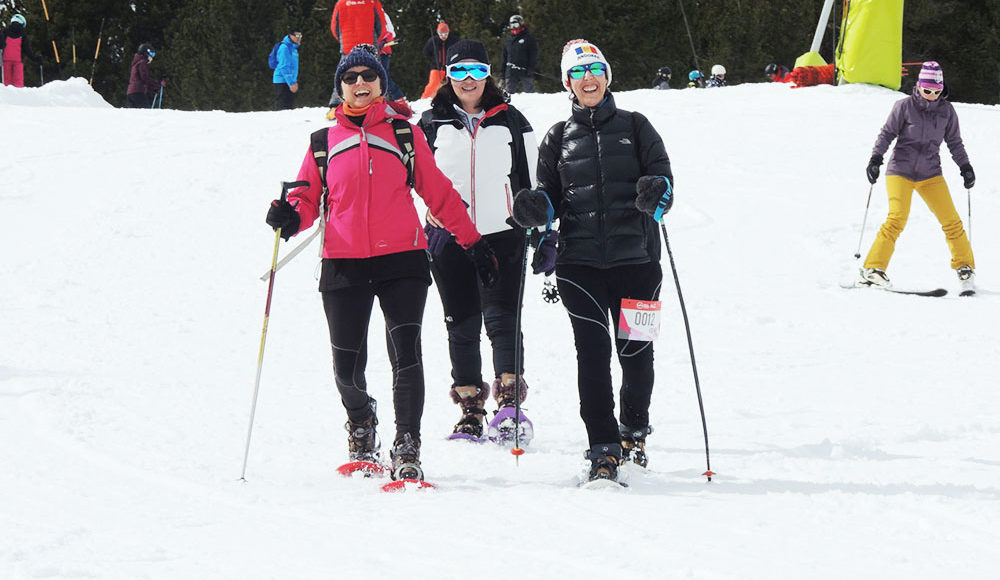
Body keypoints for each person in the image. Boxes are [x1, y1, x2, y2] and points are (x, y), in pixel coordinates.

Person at [264, 45, 500, 483]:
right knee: (346, 369)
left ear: (381, 83)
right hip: (343, 262)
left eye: (368, 76)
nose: (359, 83)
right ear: (340, 87)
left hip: (402, 261)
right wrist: (289, 217)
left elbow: (438, 193)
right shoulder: (322, 142)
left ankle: (407, 444)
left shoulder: (404, 134)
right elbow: (306, 199)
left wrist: (473, 242)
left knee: (406, 356)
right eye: (350, 77)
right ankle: (361, 420)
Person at [511, 39, 673, 484]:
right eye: (579, 73)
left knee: (636, 355)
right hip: (579, 268)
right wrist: (536, 208)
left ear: (606, 76)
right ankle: (603, 449)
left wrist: (657, 191)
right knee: (593, 355)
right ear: (568, 82)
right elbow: (548, 197)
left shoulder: (637, 126)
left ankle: (633, 432)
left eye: (596, 70)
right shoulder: (557, 137)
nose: (589, 79)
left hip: (638, 264)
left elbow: (665, 183)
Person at [417, 40, 541, 443]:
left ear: (489, 75)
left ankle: (509, 403)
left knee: (503, 318)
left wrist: (539, 228)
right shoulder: (430, 123)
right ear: (447, 77)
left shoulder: (511, 119)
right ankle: (470, 407)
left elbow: (532, 178)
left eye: (476, 71)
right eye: (458, 71)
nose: (467, 80)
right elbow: (410, 178)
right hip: (449, 236)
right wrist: (427, 216)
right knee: (461, 321)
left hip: (503, 232)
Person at [860, 61, 977, 294]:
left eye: (936, 91)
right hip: (900, 171)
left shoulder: (947, 111)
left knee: (952, 221)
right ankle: (873, 269)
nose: (932, 95)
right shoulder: (904, 106)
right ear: (919, 86)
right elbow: (887, 134)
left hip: (930, 173)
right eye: (927, 90)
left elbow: (955, 142)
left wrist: (965, 166)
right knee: (897, 218)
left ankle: (965, 267)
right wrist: (875, 159)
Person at [329, 0, 392, 112]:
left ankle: (335, 105)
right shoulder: (372, 2)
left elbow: (334, 27)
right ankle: (381, 104)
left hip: (348, 47)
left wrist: (343, 41)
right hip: (369, 45)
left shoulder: (341, 3)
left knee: (345, 77)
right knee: (375, 76)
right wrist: (376, 40)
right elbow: (381, 24)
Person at [1, 14, 42, 88]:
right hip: (18, 62)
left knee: (6, 83)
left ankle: (7, 94)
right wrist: (35, 58)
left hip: (5, 61)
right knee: (18, 83)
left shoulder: (4, 32)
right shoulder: (23, 34)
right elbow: (27, 50)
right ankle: (19, 94)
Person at [420, 22, 458, 99]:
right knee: (432, 85)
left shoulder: (454, 41)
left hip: (449, 68)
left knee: (453, 84)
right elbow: (426, 52)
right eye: (441, 34)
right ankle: (424, 100)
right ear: (438, 33)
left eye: (446, 34)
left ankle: (454, 99)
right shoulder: (433, 41)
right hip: (436, 67)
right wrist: (434, 60)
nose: (443, 36)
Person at [501, 14, 537, 93]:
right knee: (508, 92)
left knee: (529, 92)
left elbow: (533, 55)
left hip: (524, 71)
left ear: (521, 24)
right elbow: (504, 57)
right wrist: (503, 73)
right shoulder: (508, 40)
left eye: (516, 25)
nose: (514, 27)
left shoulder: (527, 38)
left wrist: (531, 68)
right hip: (511, 71)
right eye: (512, 25)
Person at [126, 44, 164, 108]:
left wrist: (154, 88)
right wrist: (157, 84)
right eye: (151, 54)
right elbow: (145, 78)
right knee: (146, 112)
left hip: (131, 93)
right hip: (138, 92)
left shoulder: (136, 63)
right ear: (146, 53)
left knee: (134, 113)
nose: (152, 57)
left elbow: (140, 81)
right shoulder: (142, 63)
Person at [272, 28, 302, 110]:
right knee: (285, 109)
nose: (299, 38)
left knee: (289, 108)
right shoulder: (284, 48)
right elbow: (284, 67)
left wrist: (293, 81)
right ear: (290, 36)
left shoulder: (293, 48)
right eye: (297, 36)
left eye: (300, 36)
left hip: (288, 81)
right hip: (282, 81)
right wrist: (291, 82)